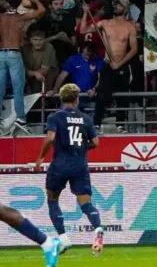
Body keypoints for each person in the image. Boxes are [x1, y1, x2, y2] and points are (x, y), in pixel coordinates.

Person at [33, 83, 104, 256]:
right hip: (80, 164)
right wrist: (80, 147)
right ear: (77, 99)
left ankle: (64, 240)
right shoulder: (86, 119)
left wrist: (40, 158)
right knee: (86, 203)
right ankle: (98, 229)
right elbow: (96, 143)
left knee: (52, 199)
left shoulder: (55, 117)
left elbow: (50, 138)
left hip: (60, 163)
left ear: (61, 98)